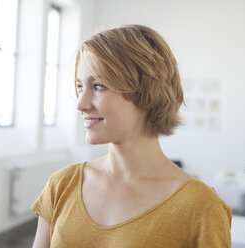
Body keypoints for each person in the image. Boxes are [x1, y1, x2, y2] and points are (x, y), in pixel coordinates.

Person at [31, 24, 232, 248]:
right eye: (80, 87)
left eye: (98, 86)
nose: (81, 104)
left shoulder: (201, 207)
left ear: (146, 93)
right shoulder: (61, 185)